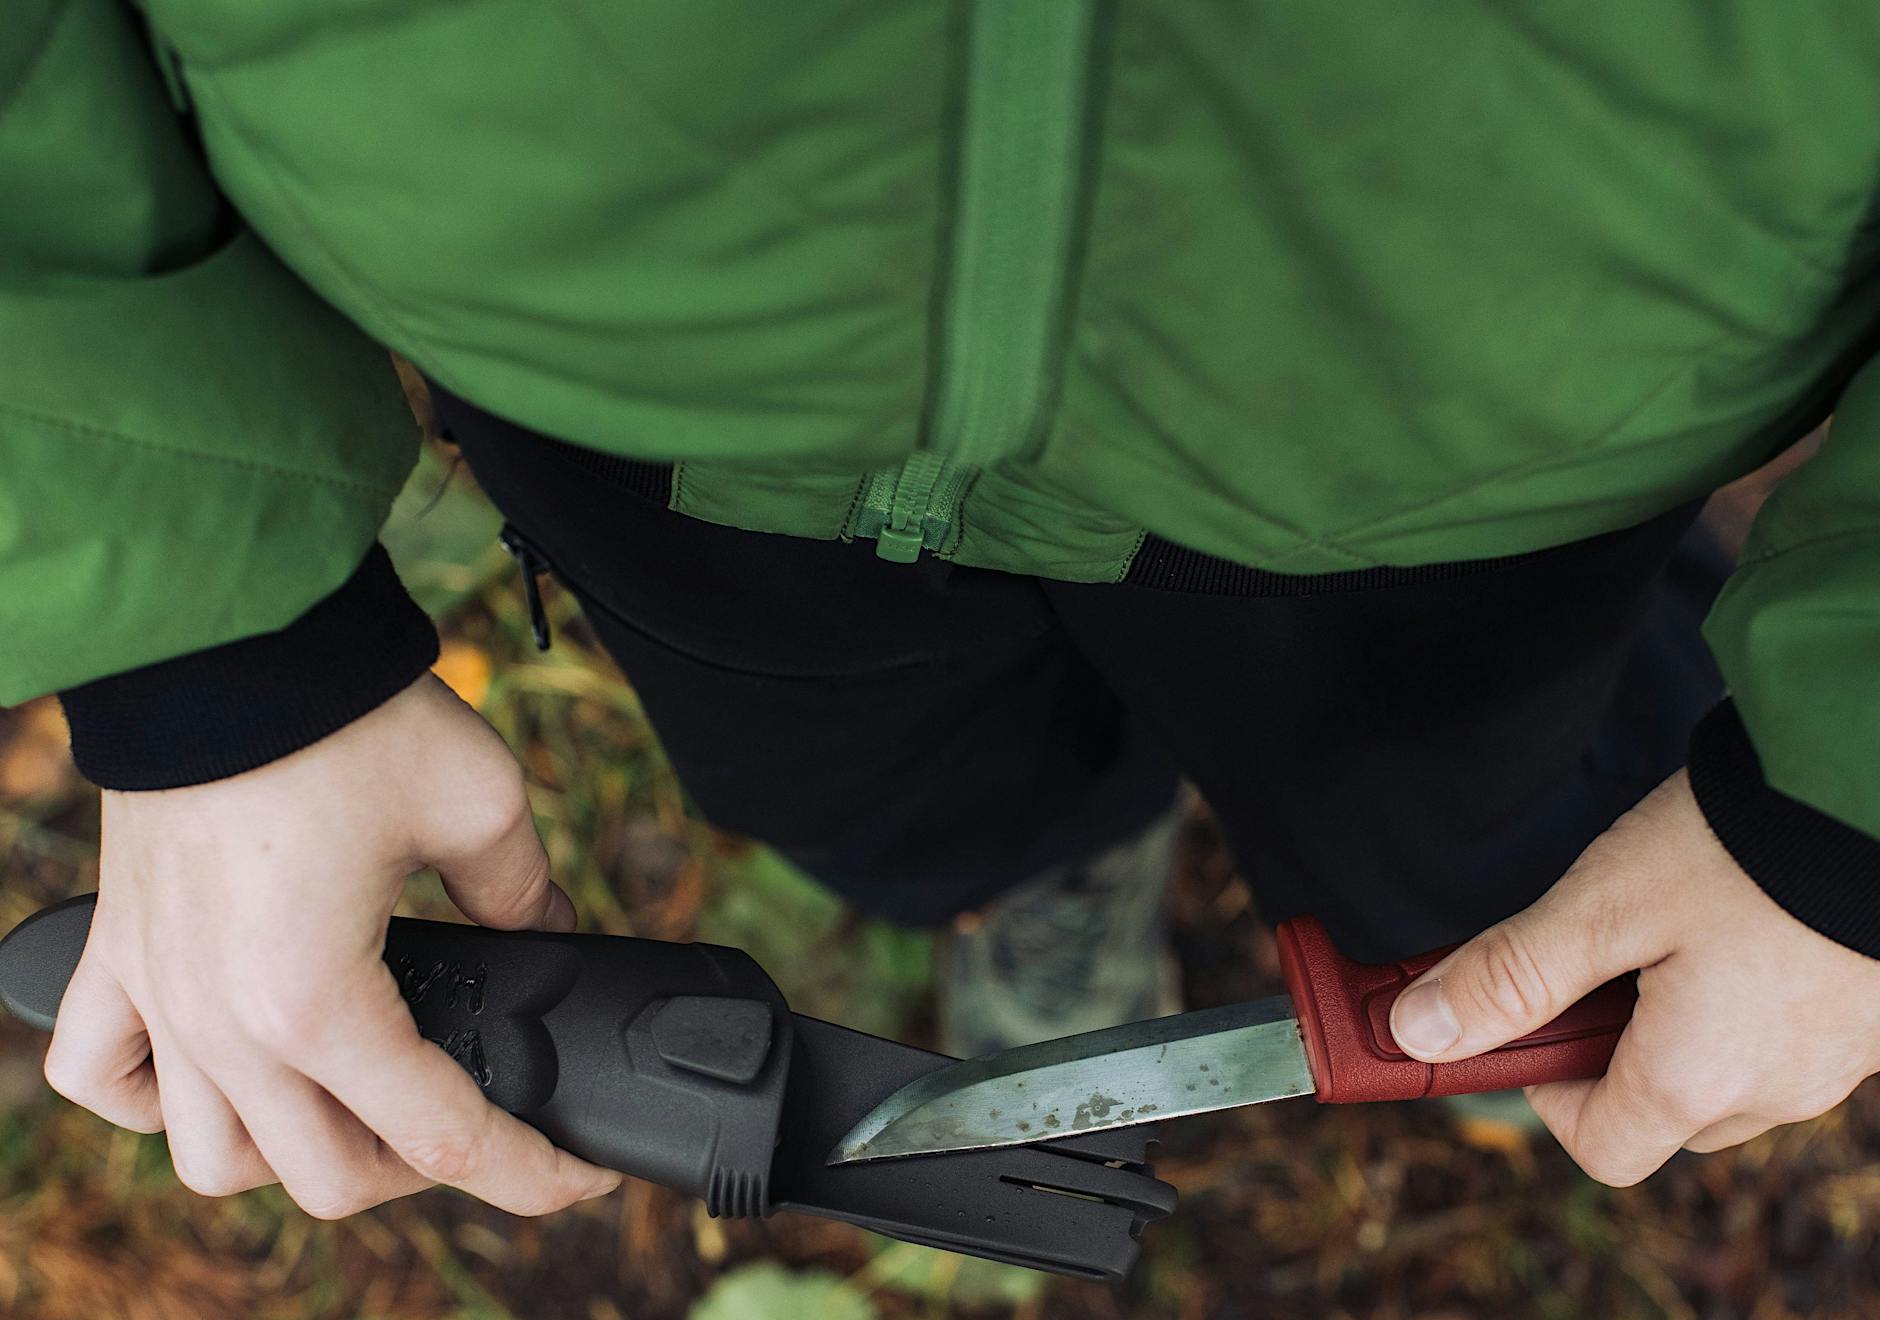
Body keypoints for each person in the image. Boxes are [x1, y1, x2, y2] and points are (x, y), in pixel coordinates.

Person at [5, 3, 1878, 1223]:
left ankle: (1496, 969)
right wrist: (211, 636)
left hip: (1471, 446)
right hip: (667, 411)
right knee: (892, 790)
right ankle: (1042, 858)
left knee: (1462, 797)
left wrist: (1846, 823)